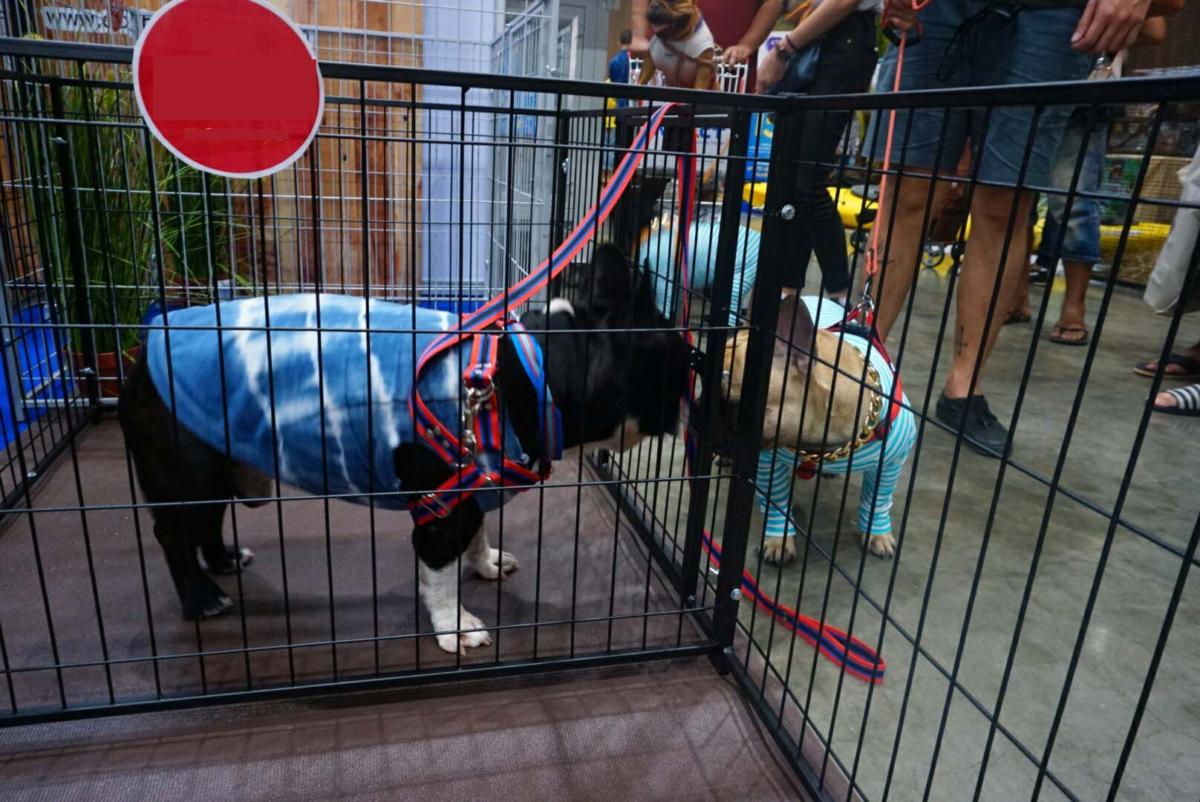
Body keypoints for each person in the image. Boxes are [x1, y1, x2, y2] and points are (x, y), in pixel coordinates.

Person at [867, 0, 1164, 457]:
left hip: (1049, 11)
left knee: (1005, 202)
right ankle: (862, 368)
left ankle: (964, 387)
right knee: (906, 189)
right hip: (938, 9)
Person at [1011, 16, 1170, 346]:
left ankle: (1074, 306)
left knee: (1075, 204)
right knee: (1014, 203)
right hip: (1023, 89)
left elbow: (1154, 29)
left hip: (1082, 93)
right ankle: (1016, 293)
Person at [756, 0, 884, 302]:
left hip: (839, 38)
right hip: (815, 37)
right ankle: (788, 293)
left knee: (807, 182)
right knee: (791, 183)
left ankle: (838, 294)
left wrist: (784, 49)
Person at [631, 1, 782, 92]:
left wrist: (747, 44)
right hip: (660, 63)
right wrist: (639, 35)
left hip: (729, 69)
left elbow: (771, 3)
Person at [609, 29, 634, 106]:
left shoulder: (614, 61)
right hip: (633, 101)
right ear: (632, 42)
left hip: (619, 101)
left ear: (619, 42)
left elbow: (613, 82)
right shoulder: (634, 61)